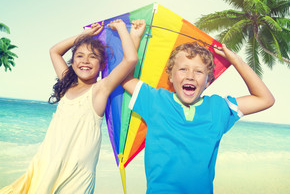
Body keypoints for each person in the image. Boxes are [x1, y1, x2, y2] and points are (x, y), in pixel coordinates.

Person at [122, 20, 275, 194]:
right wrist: (135, 37)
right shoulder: (155, 100)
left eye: (198, 71)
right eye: (183, 69)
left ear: (208, 80)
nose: (190, 76)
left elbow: (265, 99)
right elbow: (124, 77)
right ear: (170, 76)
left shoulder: (218, 108)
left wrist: (236, 60)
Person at [0, 19, 138, 194]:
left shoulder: (99, 90)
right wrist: (85, 35)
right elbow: (54, 51)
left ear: (102, 65)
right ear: (72, 63)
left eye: (93, 56)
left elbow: (131, 59)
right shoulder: (67, 86)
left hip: (77, 173)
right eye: (79, 56)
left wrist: (121, 29)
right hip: (47, 162)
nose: (85, 60)